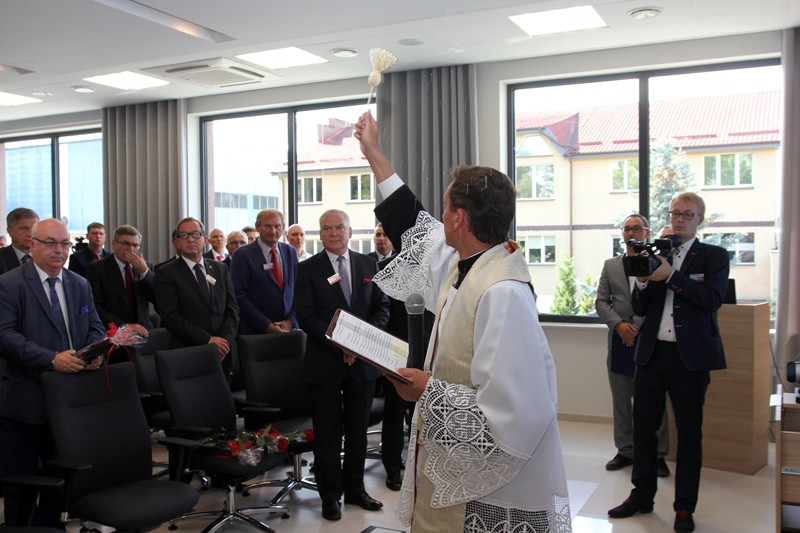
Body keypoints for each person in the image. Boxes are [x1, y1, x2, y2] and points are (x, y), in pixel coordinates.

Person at [355, 111, 571, 533]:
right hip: (459, 468)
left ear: (458, 219)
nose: (439, 218)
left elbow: (516, 412)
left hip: (489, 490)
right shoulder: (467, 266)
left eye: (445, 209)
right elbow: (413, 227)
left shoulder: (502, 292)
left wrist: (427, 390)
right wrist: (374, 155)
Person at [607, 193, 729, 533]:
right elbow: (640, 307)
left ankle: (684, 507)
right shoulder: (657, 253)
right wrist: (643, 280)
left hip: (689, 358)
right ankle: (641, 496)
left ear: (700, 219)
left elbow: (711, 300)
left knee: (688, 434)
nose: (680, 219)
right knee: (643, 430)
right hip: (652, 354)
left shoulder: (714, 256)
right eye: (675, 213)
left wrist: (670, 275)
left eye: (688, 214)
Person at [0, 218, 105, 526]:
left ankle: (53, 527)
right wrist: (51, 359)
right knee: (21, 482)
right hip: (26, 400)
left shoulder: (78, 283)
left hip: (70, 400)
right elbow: (5, 336)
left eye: (65, 244)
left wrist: (93, 352)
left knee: (61, 478)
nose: (59, 250)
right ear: (32, 244)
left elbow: (95, 325)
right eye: (51, 243)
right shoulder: (9, 284)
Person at [294, 209, 390, 522]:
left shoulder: (368, 264)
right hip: (325, 364)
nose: (333, 233)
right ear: (320, 234)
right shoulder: (307, 269)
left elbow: (382, 308)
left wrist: (359, 345)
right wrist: (341, 344)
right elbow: (306, 316)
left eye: (339, 227)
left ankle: (356, 490)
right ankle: (330, 496)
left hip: (361, 366)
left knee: (358, 433)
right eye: (326, 228)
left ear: (350, 232)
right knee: (328, 435)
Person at [595, 214, 670, 476]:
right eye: (627, 229)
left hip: (649, 338)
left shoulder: (658, 264)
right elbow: (601, 302)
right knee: (621, 400)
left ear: (647, 233)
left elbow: (660, 301)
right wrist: (619, 325)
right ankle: (625, 450)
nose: (631, 233)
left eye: (637, 228)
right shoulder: (611, 265)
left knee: (653, 401)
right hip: (619, 341)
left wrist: (635, 326)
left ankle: (658, 454)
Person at [154, 218, 239, 374]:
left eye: (195, 234)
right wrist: (208, 340)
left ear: (205, 240)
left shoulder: (220, 269)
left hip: (223, 352)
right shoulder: (165, 273)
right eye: (184, 235)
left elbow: (232, 308)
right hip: (189, 352)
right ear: (177, 242)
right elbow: (170, 316)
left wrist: (224, 341)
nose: (190, 239)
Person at [231, 209, 297, 335]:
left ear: (283, 227)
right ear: (257, 227)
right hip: (255, 333)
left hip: (288, 332)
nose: (273, 231)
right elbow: (239, 296)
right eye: (267, 226)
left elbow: (299, 291)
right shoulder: (242, 255)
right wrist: (266, 325)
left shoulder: (290, 252)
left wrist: (291, 321)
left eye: (277, 226)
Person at [87, 225, 156, 335]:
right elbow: (95, 306)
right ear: (114, 244)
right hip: (114, 332)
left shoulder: (145, 267)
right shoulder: (98, 268)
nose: (130, 249)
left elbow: (158, 298)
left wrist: (145, 272)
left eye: (135, 245)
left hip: (143, 332)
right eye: (126, 244)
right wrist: (125, 326)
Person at [0, 208, 38, 275]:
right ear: (9, 230)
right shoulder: (2, 258)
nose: (30, 234)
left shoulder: (47, 257)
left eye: (34, 229)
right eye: (24, 229)